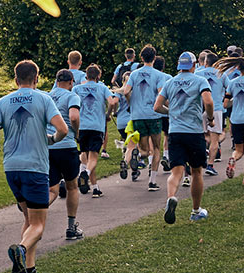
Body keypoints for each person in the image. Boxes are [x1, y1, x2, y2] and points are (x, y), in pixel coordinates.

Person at [0, 60, 68, 273]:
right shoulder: (43, 99)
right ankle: (21, 249)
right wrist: (52, 139)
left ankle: (29, 270)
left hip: (12, 167)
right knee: (38, 225)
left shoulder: (2, 101)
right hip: (35, 166)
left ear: (16, 79)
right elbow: (63, 129)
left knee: (28, 219)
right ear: (36, 78)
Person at [155, 53, 213, 224]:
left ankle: (171, 197)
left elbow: (157, 106)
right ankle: (195, 211)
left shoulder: (169, 82)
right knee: (196, 171)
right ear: (194, 65)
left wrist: (171, 112)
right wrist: (210, 118)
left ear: (179, 65)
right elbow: (208, 102)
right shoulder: (200, 80)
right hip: (194, 132)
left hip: (175, 132)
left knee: (176, 172)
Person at [119, 45, 169, 191]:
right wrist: (169, 109)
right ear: (154, 58)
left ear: (141, 58)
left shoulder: (134, 74)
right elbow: (161, 95)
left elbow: (126, 91)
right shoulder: (158, 75)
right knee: (157, 149)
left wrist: (131, 103)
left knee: (145, 149)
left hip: (137, 116)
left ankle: (138, 156)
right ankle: (152, 181)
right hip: (153, 115)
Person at [49, 70, 83, 239]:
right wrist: (76, 132)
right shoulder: (72, 96)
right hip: (66, 144)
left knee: (53, 189)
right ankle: (71, 227)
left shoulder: (47, 96)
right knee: (72, 186)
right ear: (71, 81)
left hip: (49, 146)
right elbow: (74, 117)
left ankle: (34, 205)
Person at [72, 64, 116, 198]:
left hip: (82, 126)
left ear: (86, 75)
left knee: (84, 156)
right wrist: (108, 114)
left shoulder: (76, 88)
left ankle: (95, 187)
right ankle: (84, 174)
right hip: (96, 126)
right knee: (94, 157)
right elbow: (113, 102)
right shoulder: (102, 88)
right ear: (99, 76)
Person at [196, 51, 224, 177]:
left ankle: (202, 155)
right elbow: (230, 88)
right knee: (215, 139)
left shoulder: (198, 73)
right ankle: (210, 165)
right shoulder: (221, 74)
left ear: (205, 62)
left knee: (201, 135)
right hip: (216, 108)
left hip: (199, 108)